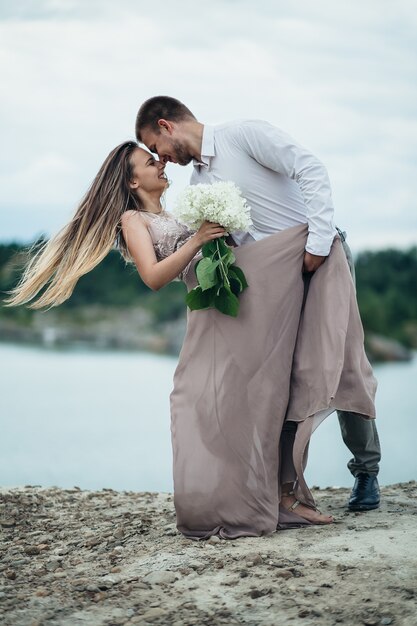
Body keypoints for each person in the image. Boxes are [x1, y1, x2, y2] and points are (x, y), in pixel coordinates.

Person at [6, 140, 354, 541]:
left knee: (261, 397)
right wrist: (198, 239)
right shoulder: (131, 220)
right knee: (204, 405)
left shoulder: (172, 214)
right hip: (207, 322)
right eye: (150, 162)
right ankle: (221, 504)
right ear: (133, 179)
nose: (161, 165)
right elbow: (153, 278)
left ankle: (279, 497)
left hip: (229, 311)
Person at [135, 96, 381, 513]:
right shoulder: (197, 188)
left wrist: (318, 246)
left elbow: (311, 169)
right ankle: (278, 486)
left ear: (166, 125)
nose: (161, 159)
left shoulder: (244, 135)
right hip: (272, 286)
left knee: (340, 365)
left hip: (320, 260)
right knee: (284, 376)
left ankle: (366, 472)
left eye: (155, 147)